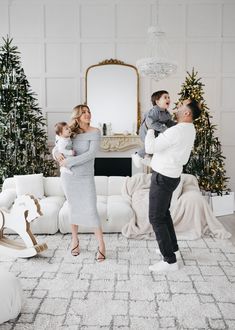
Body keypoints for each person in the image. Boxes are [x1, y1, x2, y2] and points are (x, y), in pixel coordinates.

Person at [145, 99, 201, 273]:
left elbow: (151, 147)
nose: (176, 105)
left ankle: (169, 261)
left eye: (181, 105)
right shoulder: (190, 129)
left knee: (155, 217)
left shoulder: (176, 131)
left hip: (163, 176)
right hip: (172, 175)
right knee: (164, 214)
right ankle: (173, 248)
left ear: (187, 113)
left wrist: (150, 128)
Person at [53, 104, 106, 261]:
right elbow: (57, 144)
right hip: (69, 177)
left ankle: (102, 245)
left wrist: (68, 162)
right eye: (83, 112)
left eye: (89, 111)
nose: (87, 114)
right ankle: (75, 240)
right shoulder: (70, 131)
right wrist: (56, 154)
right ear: (77, 115)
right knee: (73, 208)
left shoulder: (95, 132)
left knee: (91, 209)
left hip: (85, 176)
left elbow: (90, 155)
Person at [132, 90, 176, 168]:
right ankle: (137, 155)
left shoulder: (166, 113)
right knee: (150, 145)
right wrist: (163, 128)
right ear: (158, 102)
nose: (168, 99)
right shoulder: (154, 111)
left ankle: (147, 157)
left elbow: (168, 122)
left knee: (155, 146)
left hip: (154, 132)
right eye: (165, 97)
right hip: (146, 131)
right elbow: (150, 123)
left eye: (168, 97)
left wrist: (176, 125)